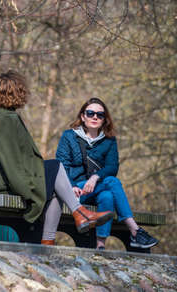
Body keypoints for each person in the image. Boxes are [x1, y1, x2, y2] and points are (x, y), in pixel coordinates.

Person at [0, 70, 114, 245]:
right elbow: (10, 162)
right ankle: (79, 213)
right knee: (55, 167)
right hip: (0, 185)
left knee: (56, 186)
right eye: (21, 91)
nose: (24, 94)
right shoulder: (4, 120)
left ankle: (49, 241)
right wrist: (29, 189)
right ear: (15, 93)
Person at [56, 97, 159, 249]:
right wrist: (70, 186)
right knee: (113, 182)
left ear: (105, 120)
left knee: (107, 196)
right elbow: (61, 165)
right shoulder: (69, 136)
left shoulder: (109, 140)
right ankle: (135, 230)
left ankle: (100, 246)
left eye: (100, 114)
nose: (95, 117)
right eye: (90, 113)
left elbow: (112, 167)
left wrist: (94, 178)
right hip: (74, 191)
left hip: (96, 189)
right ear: (83, 116)